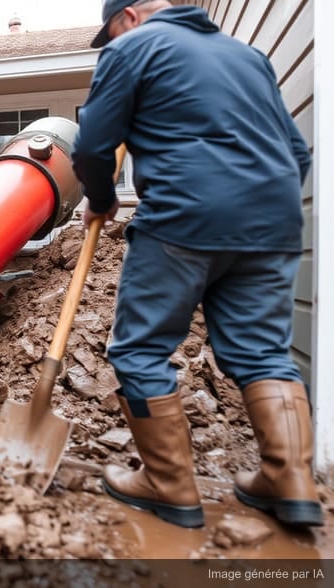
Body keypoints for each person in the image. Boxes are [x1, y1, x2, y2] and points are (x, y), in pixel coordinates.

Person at [72, 0, 321, 529]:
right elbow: (298, 155)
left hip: (186, 214)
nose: (110, 40)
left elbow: (93, 144)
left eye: (110, 30)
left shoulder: (134, 46)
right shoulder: (248, 55)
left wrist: (99, 196)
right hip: (273, 221)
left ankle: (169, 486)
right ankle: (290, 479)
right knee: (262, 351)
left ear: (131, 17)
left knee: (140, 347)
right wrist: (253, 204)